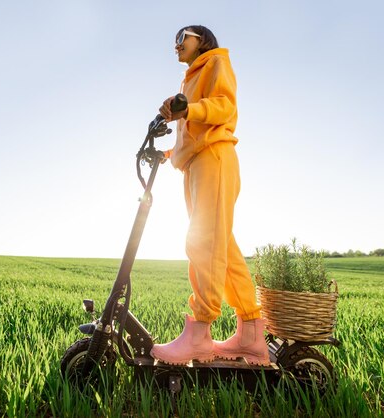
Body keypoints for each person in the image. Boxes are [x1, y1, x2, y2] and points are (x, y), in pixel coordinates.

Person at [150, 25, 270, 366]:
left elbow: (223, 108)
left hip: (214, 159)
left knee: (203, 243)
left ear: (200, 39)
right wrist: (169, 153)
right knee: (223, 248)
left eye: (181, 38)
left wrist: (189, 108)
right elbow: (193, 131)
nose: (175, 45)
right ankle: (251, 335)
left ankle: (200, 334)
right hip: (197, 163)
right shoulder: (191, 77)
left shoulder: (216, 62)